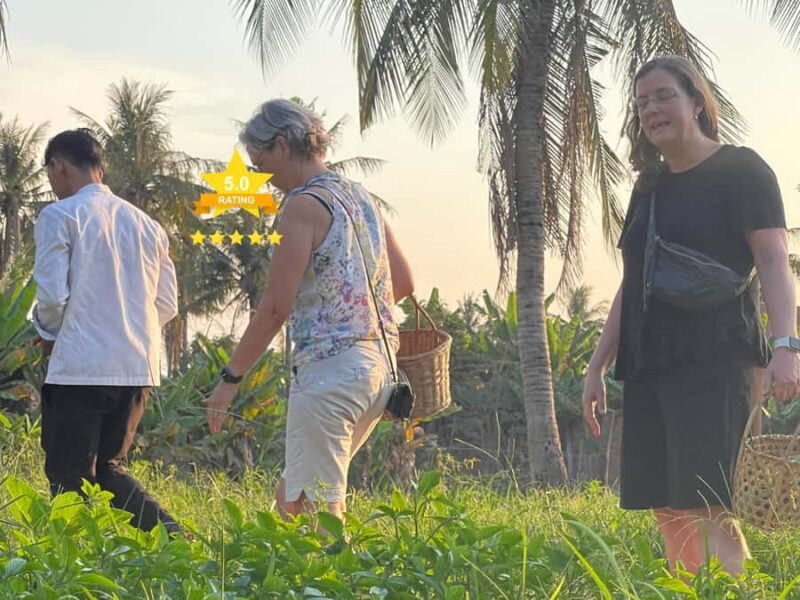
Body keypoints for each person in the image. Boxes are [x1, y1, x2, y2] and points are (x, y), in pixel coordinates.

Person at [581, 56, 800, 575]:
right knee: (667, 503)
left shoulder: (742, 170)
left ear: (696, 101)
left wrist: (788, 347)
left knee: (711, 503)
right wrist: (596, 365)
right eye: (640, 103)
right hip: (651, 362)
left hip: (717, 359)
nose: (650, 109)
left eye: (662, 96)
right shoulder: (648, 188)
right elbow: (635, 281)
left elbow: (772, 260)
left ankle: (737, 589)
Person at [204, 99, 414, 520]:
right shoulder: (360, 197)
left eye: (259, 160)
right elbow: (404, 282)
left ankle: (348, 583)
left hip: (331, 374)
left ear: (281, 145)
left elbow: (275, 309)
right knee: (292, 501)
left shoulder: (302, 206)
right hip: (377, 372)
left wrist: (230, 379)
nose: (259, 175)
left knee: (320, 511)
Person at [33, 129, 180, 533]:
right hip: (136, 367)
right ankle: (174, 541)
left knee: (69, 476)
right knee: (109, 470)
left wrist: (50, 336)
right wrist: (125, 327)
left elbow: (50, 298)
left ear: (58, 166)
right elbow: (166, 305)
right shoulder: (148, 226)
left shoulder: (60, 216)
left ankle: (69, 569)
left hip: (82, 367)